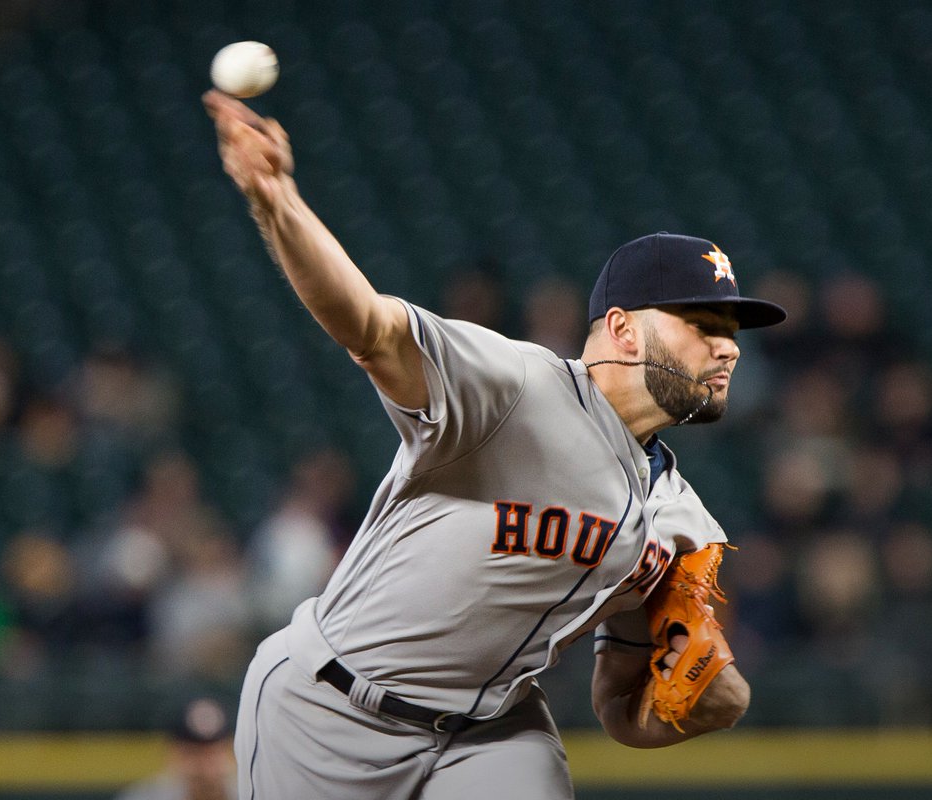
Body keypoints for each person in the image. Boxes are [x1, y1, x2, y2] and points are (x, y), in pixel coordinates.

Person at [204, 88, 787, 800]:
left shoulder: (685, 527)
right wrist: (276, 201)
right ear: (623, 329)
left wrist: (696, 712)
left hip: (491, 731)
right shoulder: (515, 387)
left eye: (731, 333)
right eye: (702, 324)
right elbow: (370, 328)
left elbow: (619, 711)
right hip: (329, 707)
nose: (726, 349)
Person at [115, 696, 237, 800]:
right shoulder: (143, 796)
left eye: (212, 754)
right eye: (194, 754)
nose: (204, 767)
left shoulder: (250, 793)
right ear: (173, 753)